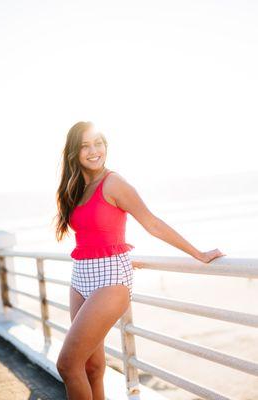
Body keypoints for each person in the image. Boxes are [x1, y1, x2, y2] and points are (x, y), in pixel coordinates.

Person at [54, 120, 226, 399]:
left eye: (98, 143)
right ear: (74, 153)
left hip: (111, 280)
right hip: (80, 277)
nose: (94, 150)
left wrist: (199, 254)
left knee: (67, 364)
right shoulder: (75, 188)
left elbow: (152, 223)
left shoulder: (114, 182)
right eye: (85, 146)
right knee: (92, 367)